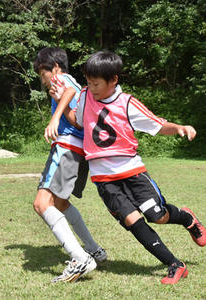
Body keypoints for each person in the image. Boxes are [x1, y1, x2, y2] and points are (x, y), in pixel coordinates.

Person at [46, 50, 206, 285]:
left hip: (132, 173)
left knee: (157, 216)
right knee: (132, 221)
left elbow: (157, 125)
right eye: (88, 82)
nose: (92, 87)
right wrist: (62, 100)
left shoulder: (127, 103)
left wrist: (180, 127)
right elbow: (77, 120)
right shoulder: (85, 95)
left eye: (96, 83)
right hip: (103, 179)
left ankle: (187, 219)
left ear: (113, 80)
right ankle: (175, 264)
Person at [33, 47, 107, 283]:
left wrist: (54, 118)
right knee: (62, 203)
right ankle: (94, 249)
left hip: (66, 148)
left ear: (54, 68)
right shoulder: (71, 82)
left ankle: (80, 258)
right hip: (78, 150)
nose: (43, 80)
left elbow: (68, 91)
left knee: (41, 203)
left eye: (41, 74)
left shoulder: (61, 78)